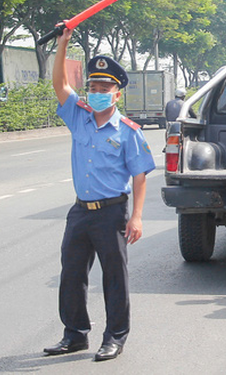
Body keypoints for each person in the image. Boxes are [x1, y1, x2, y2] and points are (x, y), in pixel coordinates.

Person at [44, 27, 156, 361]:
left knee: (114, 277)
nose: (97, 93)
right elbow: (59, 85)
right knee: (72, 274)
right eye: (93, 87)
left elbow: (139, 177)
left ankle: (115, 337)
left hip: (111, 212)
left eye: (104, 88)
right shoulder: (79, 118)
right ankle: (75, 334)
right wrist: (63, 45)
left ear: (117, 94)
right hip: (80, 212)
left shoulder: (128, 132)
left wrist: (136, 217)